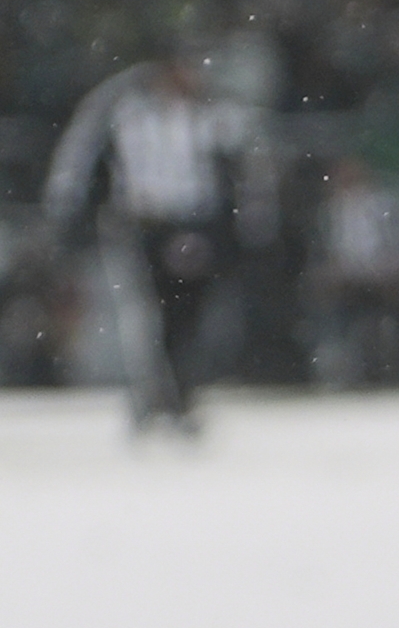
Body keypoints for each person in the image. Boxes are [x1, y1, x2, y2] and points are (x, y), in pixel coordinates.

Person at [41, 51, 260, 437]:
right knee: (145, 316)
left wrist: (234, 227)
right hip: (142, 225)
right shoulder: (125, 112)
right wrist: (76, 213)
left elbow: (240, 174)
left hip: (193, 224)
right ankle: (152, 396)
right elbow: (82, 164)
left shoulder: (212, 118)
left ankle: (180, 394)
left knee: (188, 314)